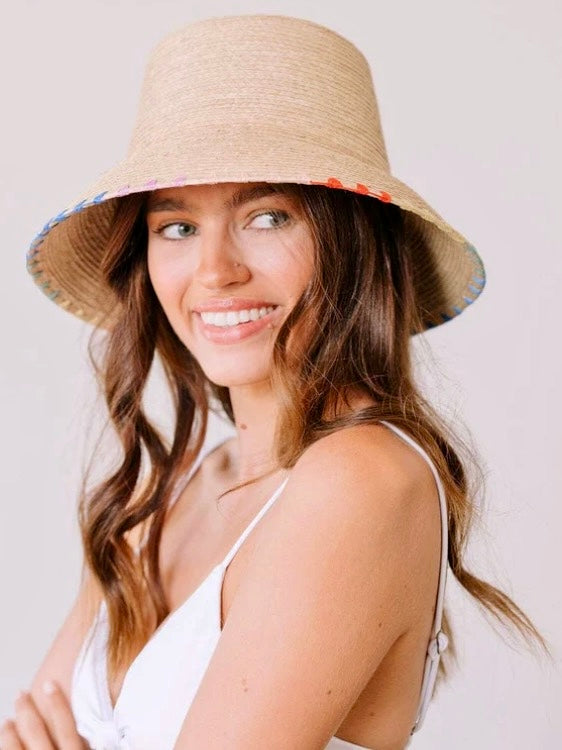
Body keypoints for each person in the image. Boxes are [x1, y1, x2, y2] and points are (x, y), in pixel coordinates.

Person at [2, 13, 550, 750]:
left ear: (350, 239)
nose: (215, 272)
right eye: (177, 227)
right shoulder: (162, 493)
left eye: (267, 217)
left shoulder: (362, 480)